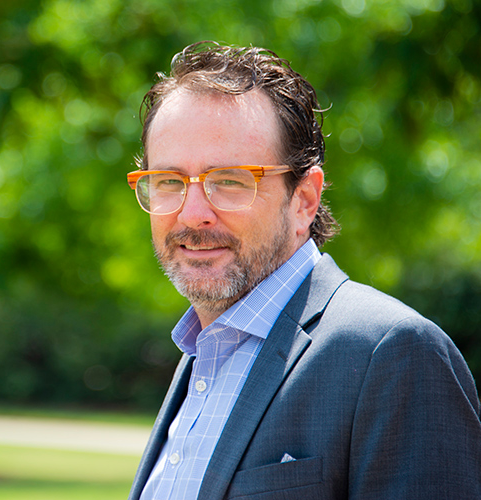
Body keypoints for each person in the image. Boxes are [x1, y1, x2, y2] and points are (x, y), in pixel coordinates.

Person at [126, 41, 481, 500]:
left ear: (304, 200)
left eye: (230, 181)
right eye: (169, 182)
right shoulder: (202, 354)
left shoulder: (393, 354)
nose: (193, 214)